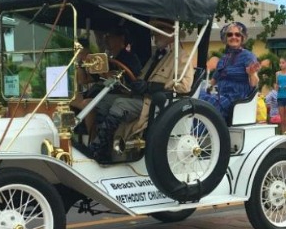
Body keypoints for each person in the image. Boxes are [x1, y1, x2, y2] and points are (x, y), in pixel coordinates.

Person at [88, 19, 194, 164]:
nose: (154, 35)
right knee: (104, 100)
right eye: (154, 32)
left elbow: (184, 86)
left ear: (170, 34)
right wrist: (135, 84)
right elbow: (140, 77)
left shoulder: (182, 57)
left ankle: (98, 147)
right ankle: (100, 145)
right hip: (142, 98)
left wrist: (150, 87)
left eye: (158, 32)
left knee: (120, 104)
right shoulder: (157, 56)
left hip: (157, 104)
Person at [202, 21, 261, 120]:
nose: (234, 37)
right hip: (221, 96)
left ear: (242, 38)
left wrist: (251, 74)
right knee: (199, 99)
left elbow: (254, 82)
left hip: (236, 98)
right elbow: (213, 81)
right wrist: (203, 89)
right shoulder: (223, 59)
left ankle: (199, 133)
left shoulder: (248, 56)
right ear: (226, 38)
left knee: (210, 105)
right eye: (230, 34)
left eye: (237, 34)